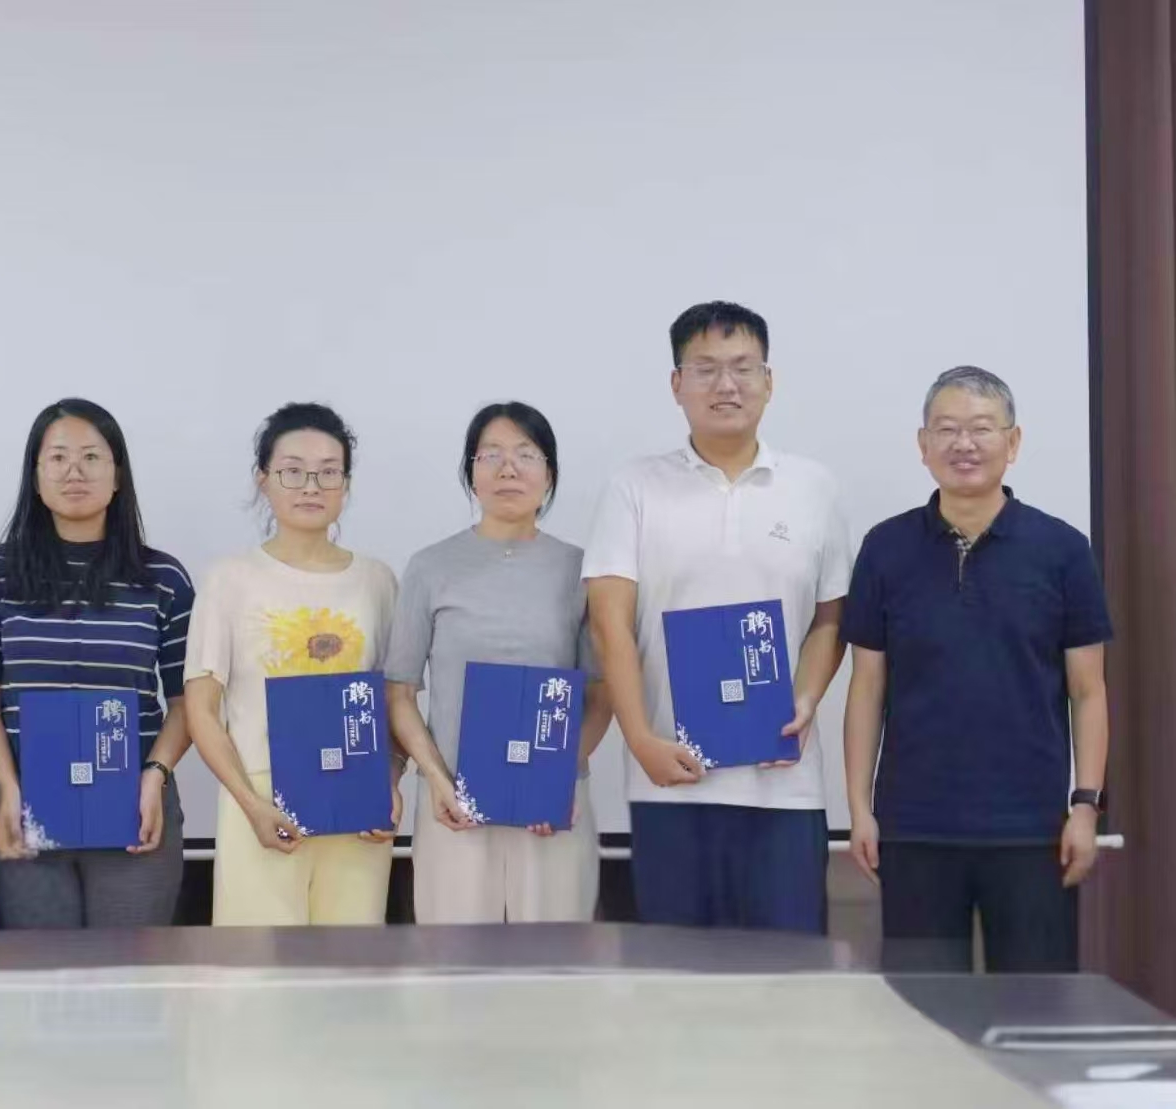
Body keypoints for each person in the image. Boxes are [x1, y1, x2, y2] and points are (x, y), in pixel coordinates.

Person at [583, 301, 850, 934]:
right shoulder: (634, 486)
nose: (725, 385)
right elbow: (608, 624)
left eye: (742, 367)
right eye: (705, 369)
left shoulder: (813, 487)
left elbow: (831, 619)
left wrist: (806, 699)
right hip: (670, 781)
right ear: (677, 383)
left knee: (788, 972)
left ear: (768, 381)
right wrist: (640, 740)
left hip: (784, 787)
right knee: (677, 976)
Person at [842, 366, 1110, 972]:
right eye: (947, 429)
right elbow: (866, 687)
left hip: (1032, 830)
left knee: (1035, 1007)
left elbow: (1088, 690)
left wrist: (1085, 806)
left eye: (982, 429)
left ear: (1012, 442)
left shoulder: (1063, 549)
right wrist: (859, 808)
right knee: (923, 1013)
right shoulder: (885, 547)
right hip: (914, 828)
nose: (964, 444)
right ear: (923, 444)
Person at [0, 399, 194, 928]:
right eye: (58, 458)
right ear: (35, 476)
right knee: (43, 970)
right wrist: (7, 784)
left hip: (134, 801)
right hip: (25, 799)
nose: (74, 472)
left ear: (118, 475)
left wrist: (155, 775)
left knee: (130, 969)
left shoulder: (164, 578)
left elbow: (187, 703)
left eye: (91, 457)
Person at [385, 402, 615, 924]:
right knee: (454, 961)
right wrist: (437, 781)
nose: (508, 468)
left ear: (549, 473)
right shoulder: (430, 566)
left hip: (553, 806)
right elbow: (399, 692)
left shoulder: (583, 570)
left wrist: (555, 779)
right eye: (491, 455)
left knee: (556, 957)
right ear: (471, 471)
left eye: (525, 455)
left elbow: (601, 694)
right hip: (453, 804)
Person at [184, 402, 402, 926]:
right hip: (261, 798)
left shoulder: (377, 581)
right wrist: (250, 804)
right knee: (258, 966)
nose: (311, 486)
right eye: (293, 471)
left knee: (350, 964)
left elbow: (394, 702)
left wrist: (390, 783)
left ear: (346, 484)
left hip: (356, 802)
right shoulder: (229, 579)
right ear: (263, 479)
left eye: (328, 472)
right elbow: (202, 709)